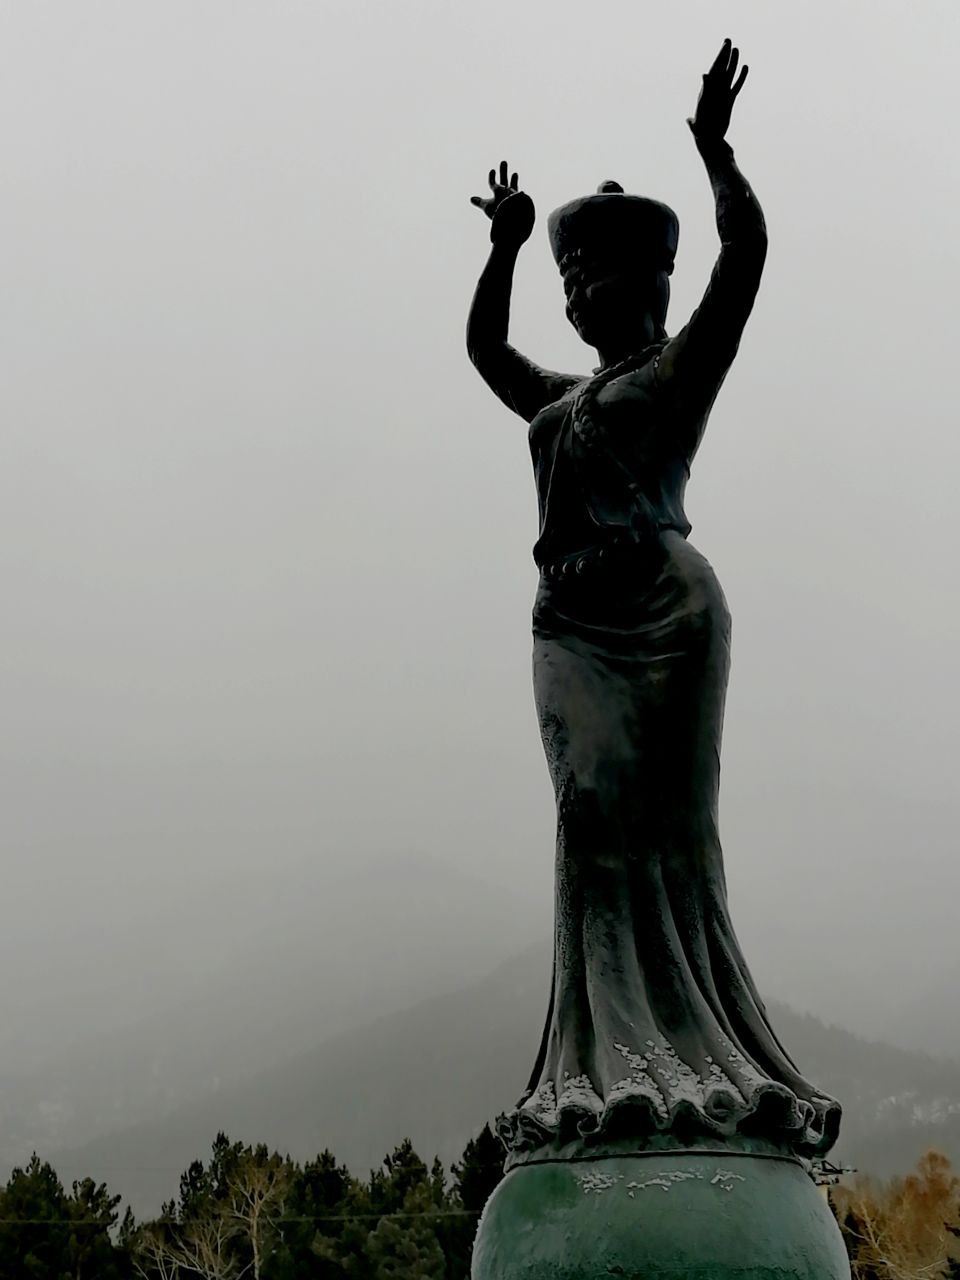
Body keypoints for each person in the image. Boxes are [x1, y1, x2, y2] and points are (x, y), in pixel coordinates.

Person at [466, 41, 840, 1166]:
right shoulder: (561, 396)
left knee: (672, 833)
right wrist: (504, 246)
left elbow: (749, 252)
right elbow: (484, 347)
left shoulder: (678, 371)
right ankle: (600, 1062)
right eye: (568, 279)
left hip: (668, 620)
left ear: (650, 284)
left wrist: (716, 151)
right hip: (571, 628)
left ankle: (695, 1054)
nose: (577, 294)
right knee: (587, 819)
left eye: (595, 277)